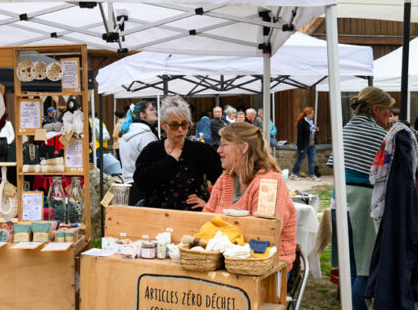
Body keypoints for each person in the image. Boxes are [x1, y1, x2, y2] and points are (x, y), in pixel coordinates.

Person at [327, 86, 394, 310]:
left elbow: (333, 165)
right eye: (387, 109)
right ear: (376, 109)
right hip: (363, 200)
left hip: (339, 200)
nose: (389, 115)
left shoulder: (344, 129)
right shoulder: (380, 135)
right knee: (362, 268)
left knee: (350, 267)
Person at [205, 122, 297, 272]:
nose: (218, 150)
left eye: (224, 145)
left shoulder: (269, 183)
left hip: (266, 269)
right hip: (226, 263)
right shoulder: (225, 178)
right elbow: (205, 219)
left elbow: (262, 239)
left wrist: (220, 238)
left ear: (243, 148)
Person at [133, 96, 222, 210]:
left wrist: (208, 204)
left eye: (184, 124)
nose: (180, 130)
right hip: (158, 218)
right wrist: (169, 161)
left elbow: (222, 182)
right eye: (174, 125)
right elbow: (141, 183)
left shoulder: (201, 150)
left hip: (192, 218)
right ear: (163, 125)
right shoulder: (152, 150)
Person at [118, 100, 158, 201]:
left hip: (128, 184)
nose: (155, 112)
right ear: (142, 114)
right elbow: (153, 164)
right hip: (143, 187)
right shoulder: (146, 135)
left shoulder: (126, 134)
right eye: (152, 110)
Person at [294, 107, 318, 178]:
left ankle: (312, 175)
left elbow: (313, 133)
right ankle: (294, 174)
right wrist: (301, 147)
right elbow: (300, 136)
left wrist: (317, 131)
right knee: (300, 160)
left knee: (312, 160)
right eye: (312, 114)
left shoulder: (312, 123)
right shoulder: (301, 123)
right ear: (307, 114)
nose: (313, 115)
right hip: (304, 145)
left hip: (312, 144)